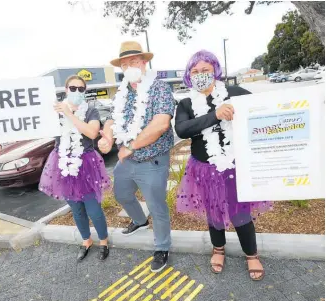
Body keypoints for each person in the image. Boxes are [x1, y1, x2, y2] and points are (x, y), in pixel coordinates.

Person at [175, 50, 272, 281]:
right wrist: (216, 115)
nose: (200, 75)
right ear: (189, 75)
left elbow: (265, 110)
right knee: (213, 212)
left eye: (205, 70)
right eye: (195, 71)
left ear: (215, 71)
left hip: (233, 166)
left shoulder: (234, 93)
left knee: (241, 212)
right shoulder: (186, 103)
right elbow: (182, 129)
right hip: (204, 169)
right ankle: (218, 248)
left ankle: (251, 254)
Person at [98, 41, 175, 273]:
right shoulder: (123, 92)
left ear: (144, 62)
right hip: (127, 160)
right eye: (124, 63)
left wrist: (129, 147)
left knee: (156, 205)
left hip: (152, 160)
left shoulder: (159, 88)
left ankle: (162, 247)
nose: (129, 66)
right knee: (121, 194)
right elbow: (111, 119)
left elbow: (161, 124)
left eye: (133, 61)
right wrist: (108, 138)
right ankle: (140, 221)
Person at [39, 75, 111, 261]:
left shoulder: (90, 111)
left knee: (93, 209)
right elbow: (40, 126)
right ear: (66, 89)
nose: (77, 92)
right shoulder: (55, 111)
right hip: (63, 165)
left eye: (81, 89)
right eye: (73, 88)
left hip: (86, 165)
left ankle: (103, 241)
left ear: (84, 91)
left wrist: (69, 114)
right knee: (77, 209)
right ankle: (86, 240)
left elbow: (92, 132)